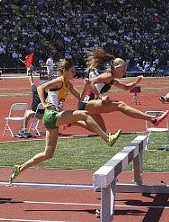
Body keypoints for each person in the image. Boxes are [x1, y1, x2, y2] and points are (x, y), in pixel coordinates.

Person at [9, 56, 122, 184]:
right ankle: (107, 138)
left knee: (48, 154)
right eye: (72, 71)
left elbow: (80, 98)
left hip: (53, 119)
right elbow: (41, 88)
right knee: (84, 113)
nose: (74, 73)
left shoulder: (68, 85)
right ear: (64, 71)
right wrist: (44, 104)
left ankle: (20, 168)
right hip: (51, 115)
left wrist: (87, 86)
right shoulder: (59, 81)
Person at [80, 48, 168, 132]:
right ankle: (153, 119)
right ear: (117, 68)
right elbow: (90, 83)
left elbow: (126, 87)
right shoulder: (108, 76)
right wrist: (101, 97)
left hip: (88, 103)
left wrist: (136, 82)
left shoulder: (111, 79)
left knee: (102, 130)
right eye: (123, 70)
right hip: (87, 102)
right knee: (120, 105)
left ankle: (75, 122)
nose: (124, 73)